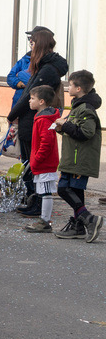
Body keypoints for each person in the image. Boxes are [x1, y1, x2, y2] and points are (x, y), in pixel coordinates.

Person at [8, 29, 68, 215]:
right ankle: (33, 201)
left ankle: (37, 204)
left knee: (33, 164)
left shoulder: (48, 69)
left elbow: (30, 95)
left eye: (32, 42)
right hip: (30, 120)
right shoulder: (44, 65)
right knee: (29, 162)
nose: (30, 46)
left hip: (34, 121)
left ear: (40, 43)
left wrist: (12, 115)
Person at [53, 70, 104, 242]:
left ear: (79, 88)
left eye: (70, 84)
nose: (68, 87)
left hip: (80, 159)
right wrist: (62, 128)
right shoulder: (77, 106)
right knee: (75, 191)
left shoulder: (86, 109)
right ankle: (78, 226)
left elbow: (86, 133)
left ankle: (89, 219)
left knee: (63, 189)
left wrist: (65, 125)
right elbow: (74, 133)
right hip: (73, 157)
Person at [23, 85, 61, 233]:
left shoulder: (44, 120)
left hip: (45, 163)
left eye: (32, 98)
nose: (29, 101)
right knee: (42, 192)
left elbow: (46, 143)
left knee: (45, 193)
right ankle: (43, 219)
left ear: (42, 102)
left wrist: (37, 159)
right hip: (41, 163)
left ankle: (45, 221)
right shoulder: (40, 117)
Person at [7, 27, 50, 108]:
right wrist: (20, 84)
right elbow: (10, 77)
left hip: (34, 105)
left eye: (33, 38)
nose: (30, 41)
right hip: (17, 102)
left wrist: (20, 74)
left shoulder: (46, 60)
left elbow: (35, 82)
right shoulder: (25, 58)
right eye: (29, 38)